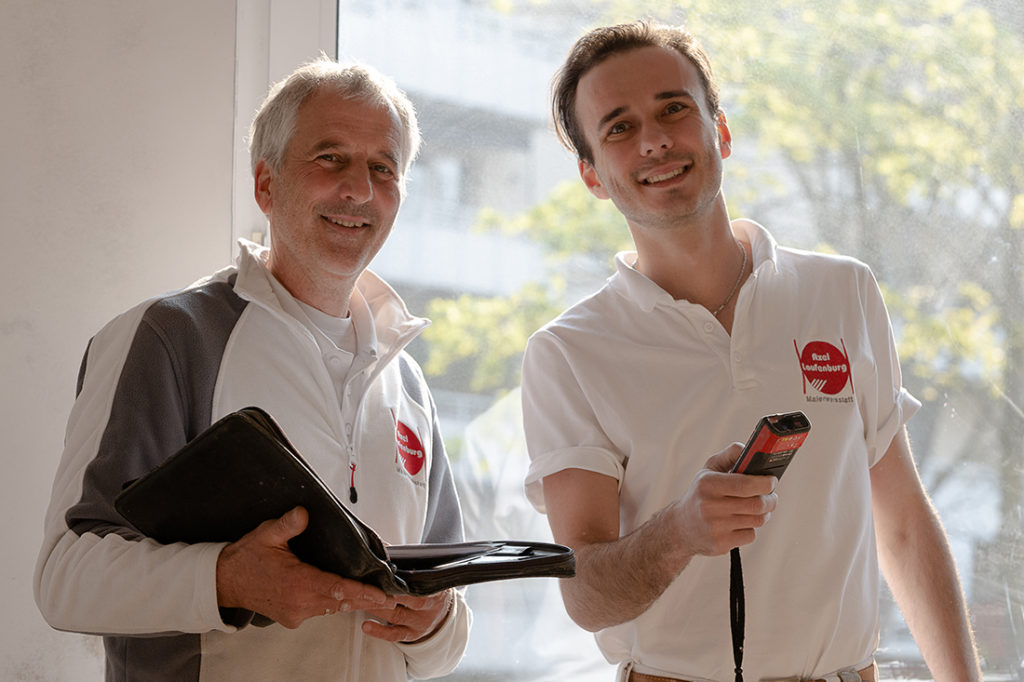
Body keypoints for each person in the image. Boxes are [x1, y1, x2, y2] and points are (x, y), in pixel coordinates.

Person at [520, 20, 981, 682]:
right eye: (619, 127)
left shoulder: (842, 291)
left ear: (722, 131)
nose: (654, 139)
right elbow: (586, 595)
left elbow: (904, 527)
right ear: (593, 176)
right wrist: (679, 532)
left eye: (673, 108)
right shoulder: (567, 353)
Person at [35, 57, 471, 681]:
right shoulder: (167, 339)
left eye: (383, 168)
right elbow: (63, 577)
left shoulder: (406, 381)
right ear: (266, 185)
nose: (359, 190)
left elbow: (445, 617)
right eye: (330, 158)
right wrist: (226, 580)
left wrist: (436, 625)